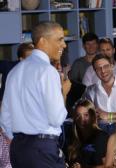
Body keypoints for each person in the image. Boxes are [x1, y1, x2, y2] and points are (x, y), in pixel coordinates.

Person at [0, 21, 68, 167]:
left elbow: (4, 117)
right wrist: (64, 93)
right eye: (60, 39)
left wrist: (18, 141)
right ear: (43, 41)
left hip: (18, 149)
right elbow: (56, 118)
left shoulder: (14, 71)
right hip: (42, 149)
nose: (64, 45)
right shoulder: (48, 71)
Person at [66, 99, 109, 168]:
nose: (81, 119)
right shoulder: (74, 137)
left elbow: (108, 166)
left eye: (86, 115)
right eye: (78, 115)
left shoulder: (101, 137)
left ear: (92, 116)